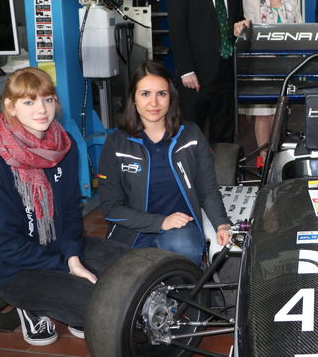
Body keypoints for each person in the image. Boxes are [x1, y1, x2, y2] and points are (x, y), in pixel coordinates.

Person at [0, 67, 127, 346]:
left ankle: (76, 310)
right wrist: (66, 266)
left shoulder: (64, 148)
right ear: (11, 107)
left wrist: (73, 256)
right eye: (29, 102)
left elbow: (69, 212)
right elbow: (6, 245)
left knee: (127, 264)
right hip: (14, 267)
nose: (41, 109)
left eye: (48, 99)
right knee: (99, 303)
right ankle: (32, 307)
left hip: (57, 244)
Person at [98, 61, 231, 265]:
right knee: (121, 276)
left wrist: (222, 224)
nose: (154, 103)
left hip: (180, 227)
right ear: (133, 98)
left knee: (183, 250)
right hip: (132, 229)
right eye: (145, 94)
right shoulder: (116, 143)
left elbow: (207, 190)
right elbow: (110, 208)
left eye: (161, 94)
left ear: (171, 97)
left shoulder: (191, 135)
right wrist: (160, 222)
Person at [167, 0, 248, 144]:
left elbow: (233, 26)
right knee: (191, 137)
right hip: (195, 78)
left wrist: (239, 30)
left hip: (226, 75)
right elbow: (177, 30)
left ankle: (223, 179)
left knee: (225, 137)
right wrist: (186, 71)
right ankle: (191, 179)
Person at [241, 0, 302, 158]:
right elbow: (253, 35)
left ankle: (278, 155)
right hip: (262, 66)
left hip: (286, 67)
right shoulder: (251, 1)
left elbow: (300, 34)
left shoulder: (292, 2)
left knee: (280, 113)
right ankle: (264, 157)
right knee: (263, 114)